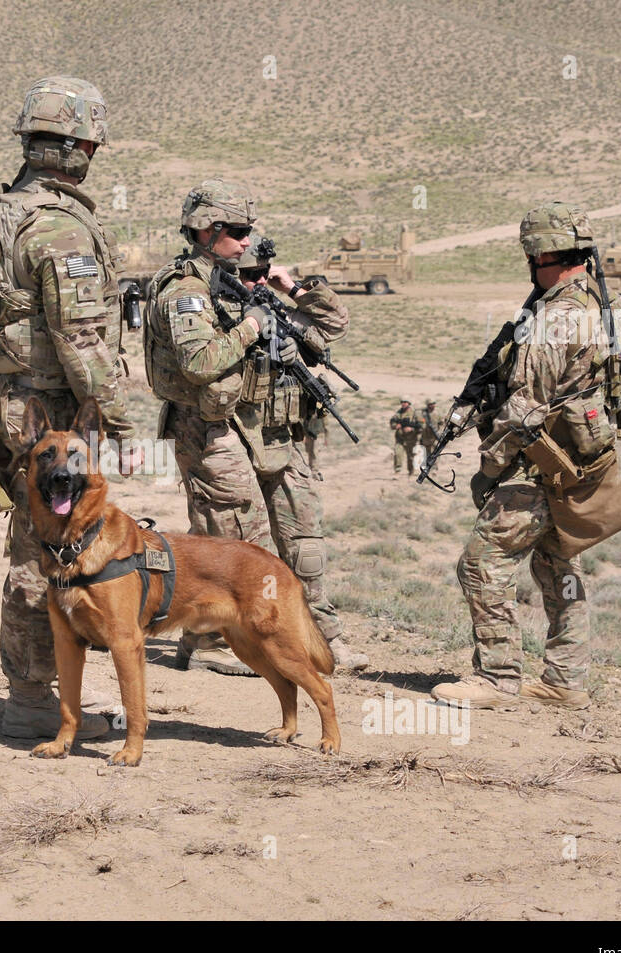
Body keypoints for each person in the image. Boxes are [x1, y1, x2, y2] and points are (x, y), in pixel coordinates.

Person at [0, 77, 140, 740]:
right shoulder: (58, 225)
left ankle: (33, 689)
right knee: (41, 556)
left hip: (6, 402)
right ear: (79, 147)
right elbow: (79, 339)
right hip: (52, 413)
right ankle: (31, 698)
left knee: (30, 546)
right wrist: (118, 421)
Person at [144, 189, 368, 674]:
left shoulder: (258, 293)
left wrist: (291, 288)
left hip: (274, 429)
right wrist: (250, 327)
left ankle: (319, 636)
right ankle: (216, 643)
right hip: (214, 425)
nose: (253, 260)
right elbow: (201, 361)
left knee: (300, 539)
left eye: (259, 255)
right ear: (208, 232)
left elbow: (331, 326)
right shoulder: (192, 291)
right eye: (240, 237)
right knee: (236, 537)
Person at [432, 201, 621, 711]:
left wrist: (488, 467)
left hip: (537, 464)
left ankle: (497, 678)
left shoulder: (558, 317)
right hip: (580, 462)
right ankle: (565, 679)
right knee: (556, 567)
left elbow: (526, 407)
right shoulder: (604, 307)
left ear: (541, 255)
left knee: (481, 564)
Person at [389, 398, 420, 475]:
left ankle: (411, 471)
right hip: (400, 439)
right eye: (402, 402)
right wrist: (396, 425)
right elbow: (392, 421)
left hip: (411, 439)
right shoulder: (398, 413)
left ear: (409, 403)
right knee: (398, 454)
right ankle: (397, 471)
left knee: (411, 457)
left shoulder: (414, 413)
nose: (403, 404)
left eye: (405, 402)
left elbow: (421, 425)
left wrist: (411, 428)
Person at [413, 398, 439, 473]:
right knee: (424, 453)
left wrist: (439, 432)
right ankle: (423, 469)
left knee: (434, 453)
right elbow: (418, 422)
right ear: (427, 405)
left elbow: (441, 423)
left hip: (434, 437)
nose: (432, 406)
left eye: (433, 404)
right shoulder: (422, 414)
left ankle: (434, 469)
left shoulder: (437, 414)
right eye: (430, 404)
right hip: (425, 437)